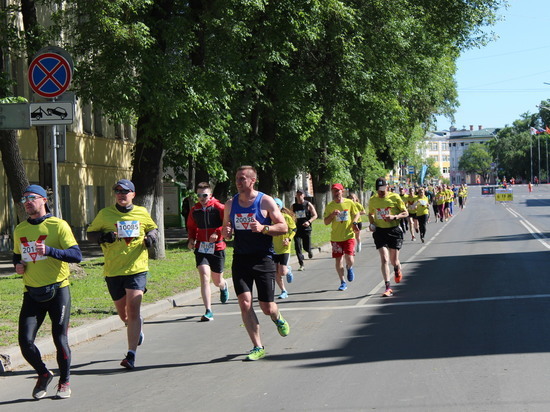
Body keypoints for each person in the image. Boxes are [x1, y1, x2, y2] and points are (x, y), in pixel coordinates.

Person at [14, 185, 82, 399]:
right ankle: (44, 373)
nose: (27, 202)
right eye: (24, 199)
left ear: (43, 200)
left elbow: (76, 255)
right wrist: (18, 265)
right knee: (25, 341)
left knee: (59, 339)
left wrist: (50, 251)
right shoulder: (20, 229)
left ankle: (64, 382)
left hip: (58, 290)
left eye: (31, 198)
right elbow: (17, 255)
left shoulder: (58, 225)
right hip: (31, 292)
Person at [87, 179, 158, 370]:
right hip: (113, 270)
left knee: (134, 309)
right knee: (124, 314)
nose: (121, 194)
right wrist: (103, 237)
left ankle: (131, 355)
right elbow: (90, 234)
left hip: (137, 268)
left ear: (133, 194)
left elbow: (153, 228)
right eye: (117, 191)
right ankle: (135, 328)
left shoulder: (141, 212)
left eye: (125, 192)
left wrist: (151, 238)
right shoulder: (105, 214)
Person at [222, 166, 290, 361]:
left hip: (263, 258)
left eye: (242, 178)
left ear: (253, 180)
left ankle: (277, 317)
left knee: (267, 307)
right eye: (237, 178)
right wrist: (226, 234)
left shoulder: (265, 201)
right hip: (241, 258)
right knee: (245, 303)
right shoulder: (230, 204)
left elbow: (283, 226)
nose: (238, 182)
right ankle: (257, 346)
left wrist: (263, 228)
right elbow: (226, 229)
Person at [186, 182, 229, 321]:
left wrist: (218, 233)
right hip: (201, 248)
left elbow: (227, 223)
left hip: (217, 247)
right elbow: (191, 227)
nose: (202, 198)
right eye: (199, 195)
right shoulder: (195, 210)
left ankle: (223, 286)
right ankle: (208, 310)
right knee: (204, 275)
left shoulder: (219, 208)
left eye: (204, 195)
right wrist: (191, 239)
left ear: (210, 195)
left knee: (217, 281)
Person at [368, 177, 408, 297]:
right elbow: (370, 213)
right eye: (378, 190)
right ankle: (387, 287)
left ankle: (397, 269)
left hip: (394, 230)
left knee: (394, 261)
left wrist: (394, 217)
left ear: (387, 187)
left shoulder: (395, 197)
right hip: (380, 231)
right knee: (384, 259)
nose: (381, 192)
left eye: (383, 190)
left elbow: (406, 213)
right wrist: (371, 223)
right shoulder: (373, 200)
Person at [323, 183, 360, 291]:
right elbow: (325, 222)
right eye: (334, 191)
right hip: (336, 238)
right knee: (338, 260)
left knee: (349, 258)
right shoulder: (330, 206)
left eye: (338, 191)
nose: (336, 193)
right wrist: (332, 215)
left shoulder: (349, 203)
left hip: (348, 235)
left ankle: (349, 267)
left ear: (342, 191)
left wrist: (354, 222)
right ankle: (342, 282)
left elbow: (356, 213)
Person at [272, 198, 297, 299]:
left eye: (277, 205)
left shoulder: (286, 217)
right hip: (273, 248)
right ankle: (283, 291)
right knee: (275, 272)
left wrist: (289, 239)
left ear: (280, 206)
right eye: (273, 205)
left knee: (282, 272)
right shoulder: (270, 218)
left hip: (284, 248)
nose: (275, 207)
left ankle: (288, 270)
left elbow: (294, 229)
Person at [291, 189, 318, 270]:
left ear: (303, 195)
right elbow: (291, 216)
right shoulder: (294, 206)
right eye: (298, 194)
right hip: (297, 229)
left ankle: (309, 251)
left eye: (301, 194)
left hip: (306, 228)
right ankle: (301, 264)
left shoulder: (308, 204)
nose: (299, 196)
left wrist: (309, 222)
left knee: (306, 247)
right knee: (298, 247)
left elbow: (315, 215)